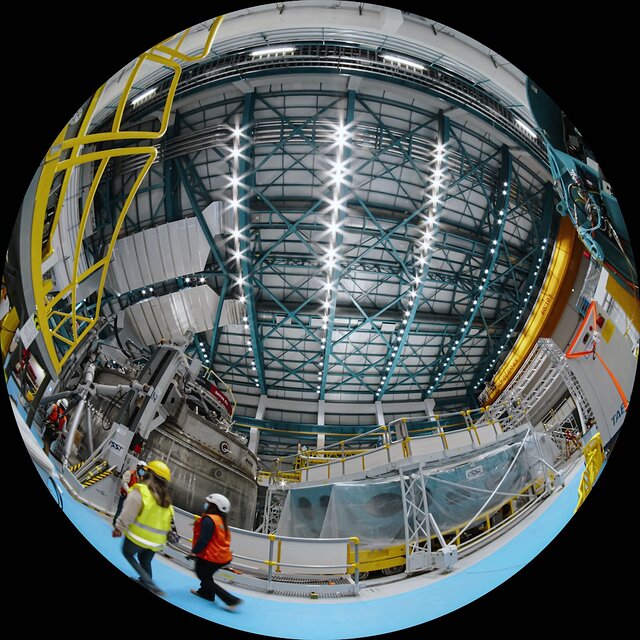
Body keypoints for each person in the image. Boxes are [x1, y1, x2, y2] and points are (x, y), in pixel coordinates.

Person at [112, 460, 175, 596]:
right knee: (145, 559)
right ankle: (145, 581)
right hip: (156, 542)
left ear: (149, 474)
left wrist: (119, 528)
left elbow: (128, 512)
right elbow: (168, 522)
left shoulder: (141, 490)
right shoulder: (167, 500)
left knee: (127, 553)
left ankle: (150, 584)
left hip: (138, 537)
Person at [188, 493, 243, 610]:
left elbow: (204, 539)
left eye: (208, 503)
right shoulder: (221, 521)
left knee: (202, 574)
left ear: (213, 505)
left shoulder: (209, 519)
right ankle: (206, 593)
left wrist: (194, 552)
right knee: (206, 575)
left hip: (213, 556)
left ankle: (231, 600)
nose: (206, 504)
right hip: (222, 556)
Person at [112, 460, 147, 527]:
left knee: (128, 512)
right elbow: (124, 482)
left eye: (144, 470)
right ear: (138, 467)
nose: (143, 471)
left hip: (133, 498)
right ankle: (115, 522)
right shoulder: (130, 473)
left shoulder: (141, 478)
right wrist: (129, 491)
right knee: (120, 509)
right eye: (142, 469)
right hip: (125, 495)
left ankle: (123, 525)